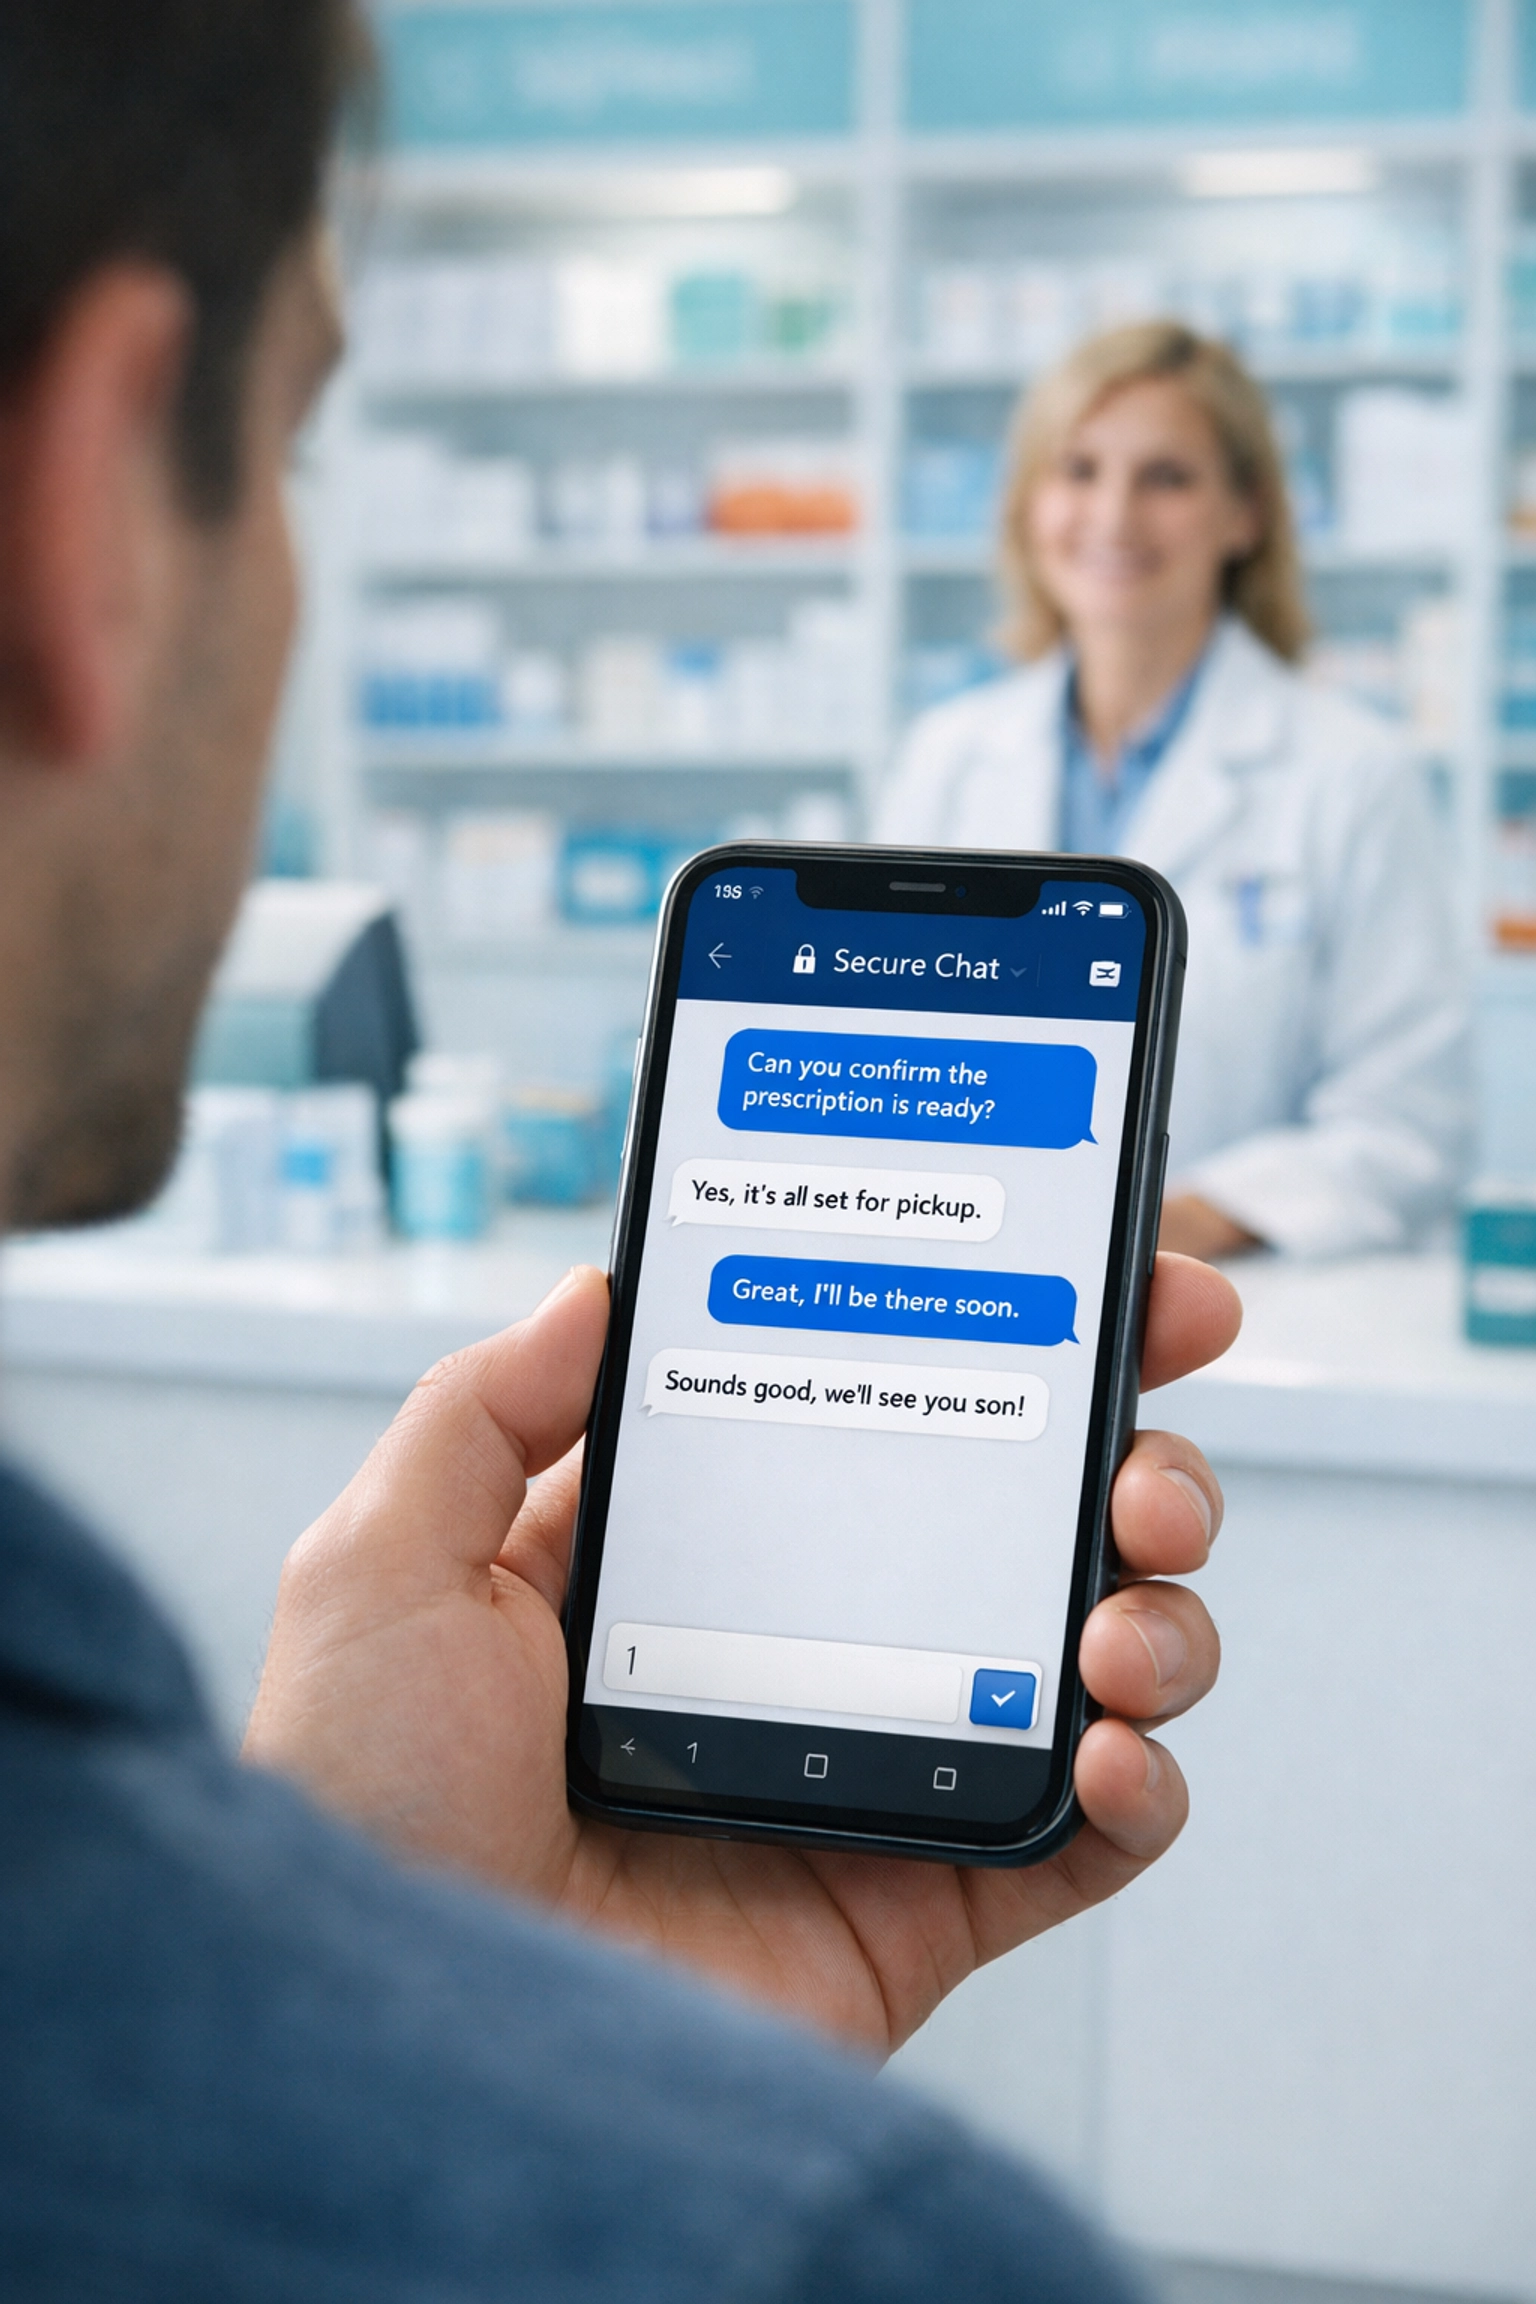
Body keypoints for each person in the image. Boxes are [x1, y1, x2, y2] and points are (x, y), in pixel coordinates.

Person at [0, 7, 1239, 2294]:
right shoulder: (828, 2249)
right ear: (86, 508)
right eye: (290, 442)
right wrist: (506, 2084)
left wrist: (453, 1980)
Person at [879, 322, 1469, 1264]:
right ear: (1030, 505)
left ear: (1247, 515)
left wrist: (1170, 1225)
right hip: (967, 1284)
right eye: (1078, 470)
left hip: (1243, 1322)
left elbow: (1404, 1128)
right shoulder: (947, 759)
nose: (1113, 516)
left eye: (1167, 477)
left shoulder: (1355, 774)